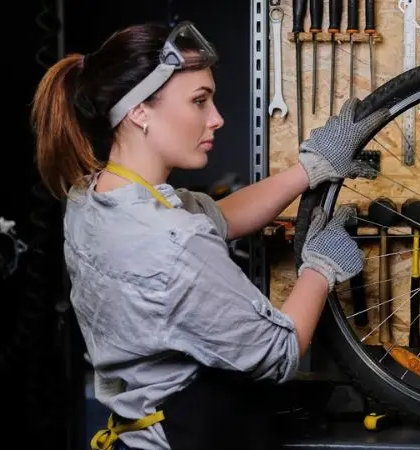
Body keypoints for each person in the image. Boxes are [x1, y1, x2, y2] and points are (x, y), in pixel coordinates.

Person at [30, 20, 388, 450]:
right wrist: (321, 267)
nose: (216, 118)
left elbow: (218, 216)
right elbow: (280, 351)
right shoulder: (173, 242)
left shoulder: (91, 199)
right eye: (199, 101)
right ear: (140, 110)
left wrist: (309, 169)